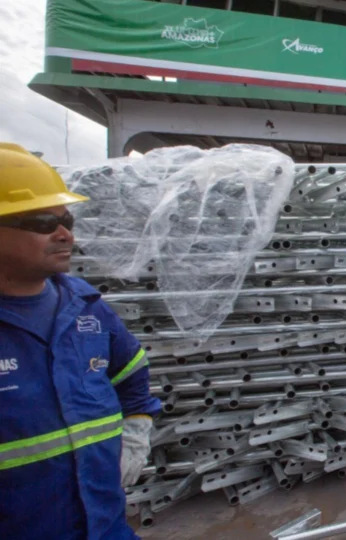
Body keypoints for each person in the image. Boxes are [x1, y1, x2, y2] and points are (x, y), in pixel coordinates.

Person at [0, 143, 161, 539]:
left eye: (66, 219)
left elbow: (132, 375)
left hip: (105, 526)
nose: (65, 234)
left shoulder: (85, 307)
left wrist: (135, 431)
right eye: (42, 222)